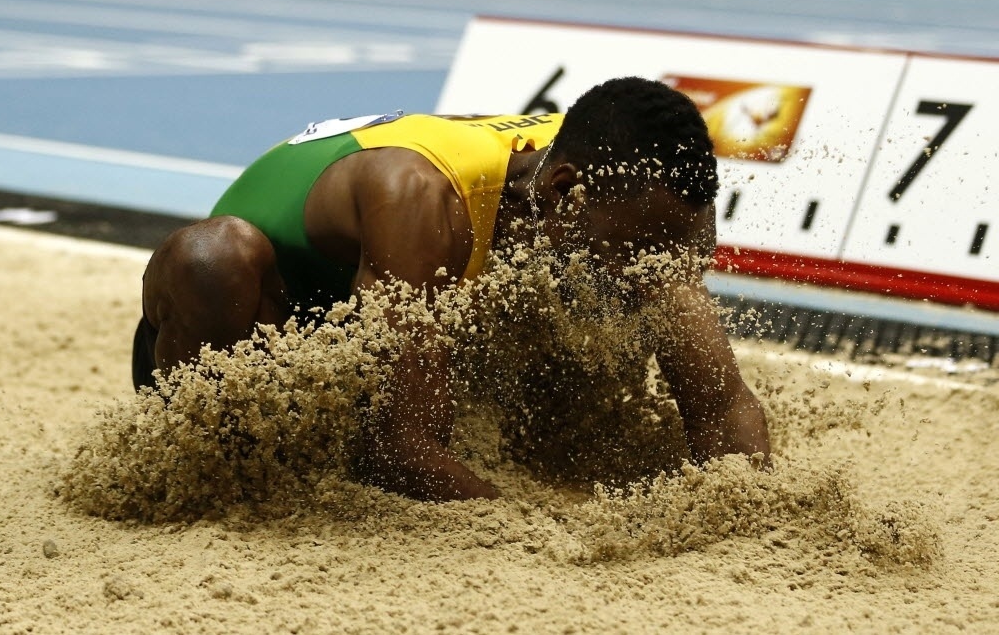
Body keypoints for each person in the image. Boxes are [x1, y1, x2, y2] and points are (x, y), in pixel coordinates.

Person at [132, 76, 771, 501]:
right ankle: (207, 456)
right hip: (264, 321)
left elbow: (720, 405)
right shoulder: (419, 201)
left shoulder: (645, 201)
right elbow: (395, 449)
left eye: (672, 255)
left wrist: (749, 500)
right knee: (211, 258)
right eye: (633, 253)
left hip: (400, 305)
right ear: (562, 193)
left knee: (607, 313)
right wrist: (532, 523)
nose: (651, 274)